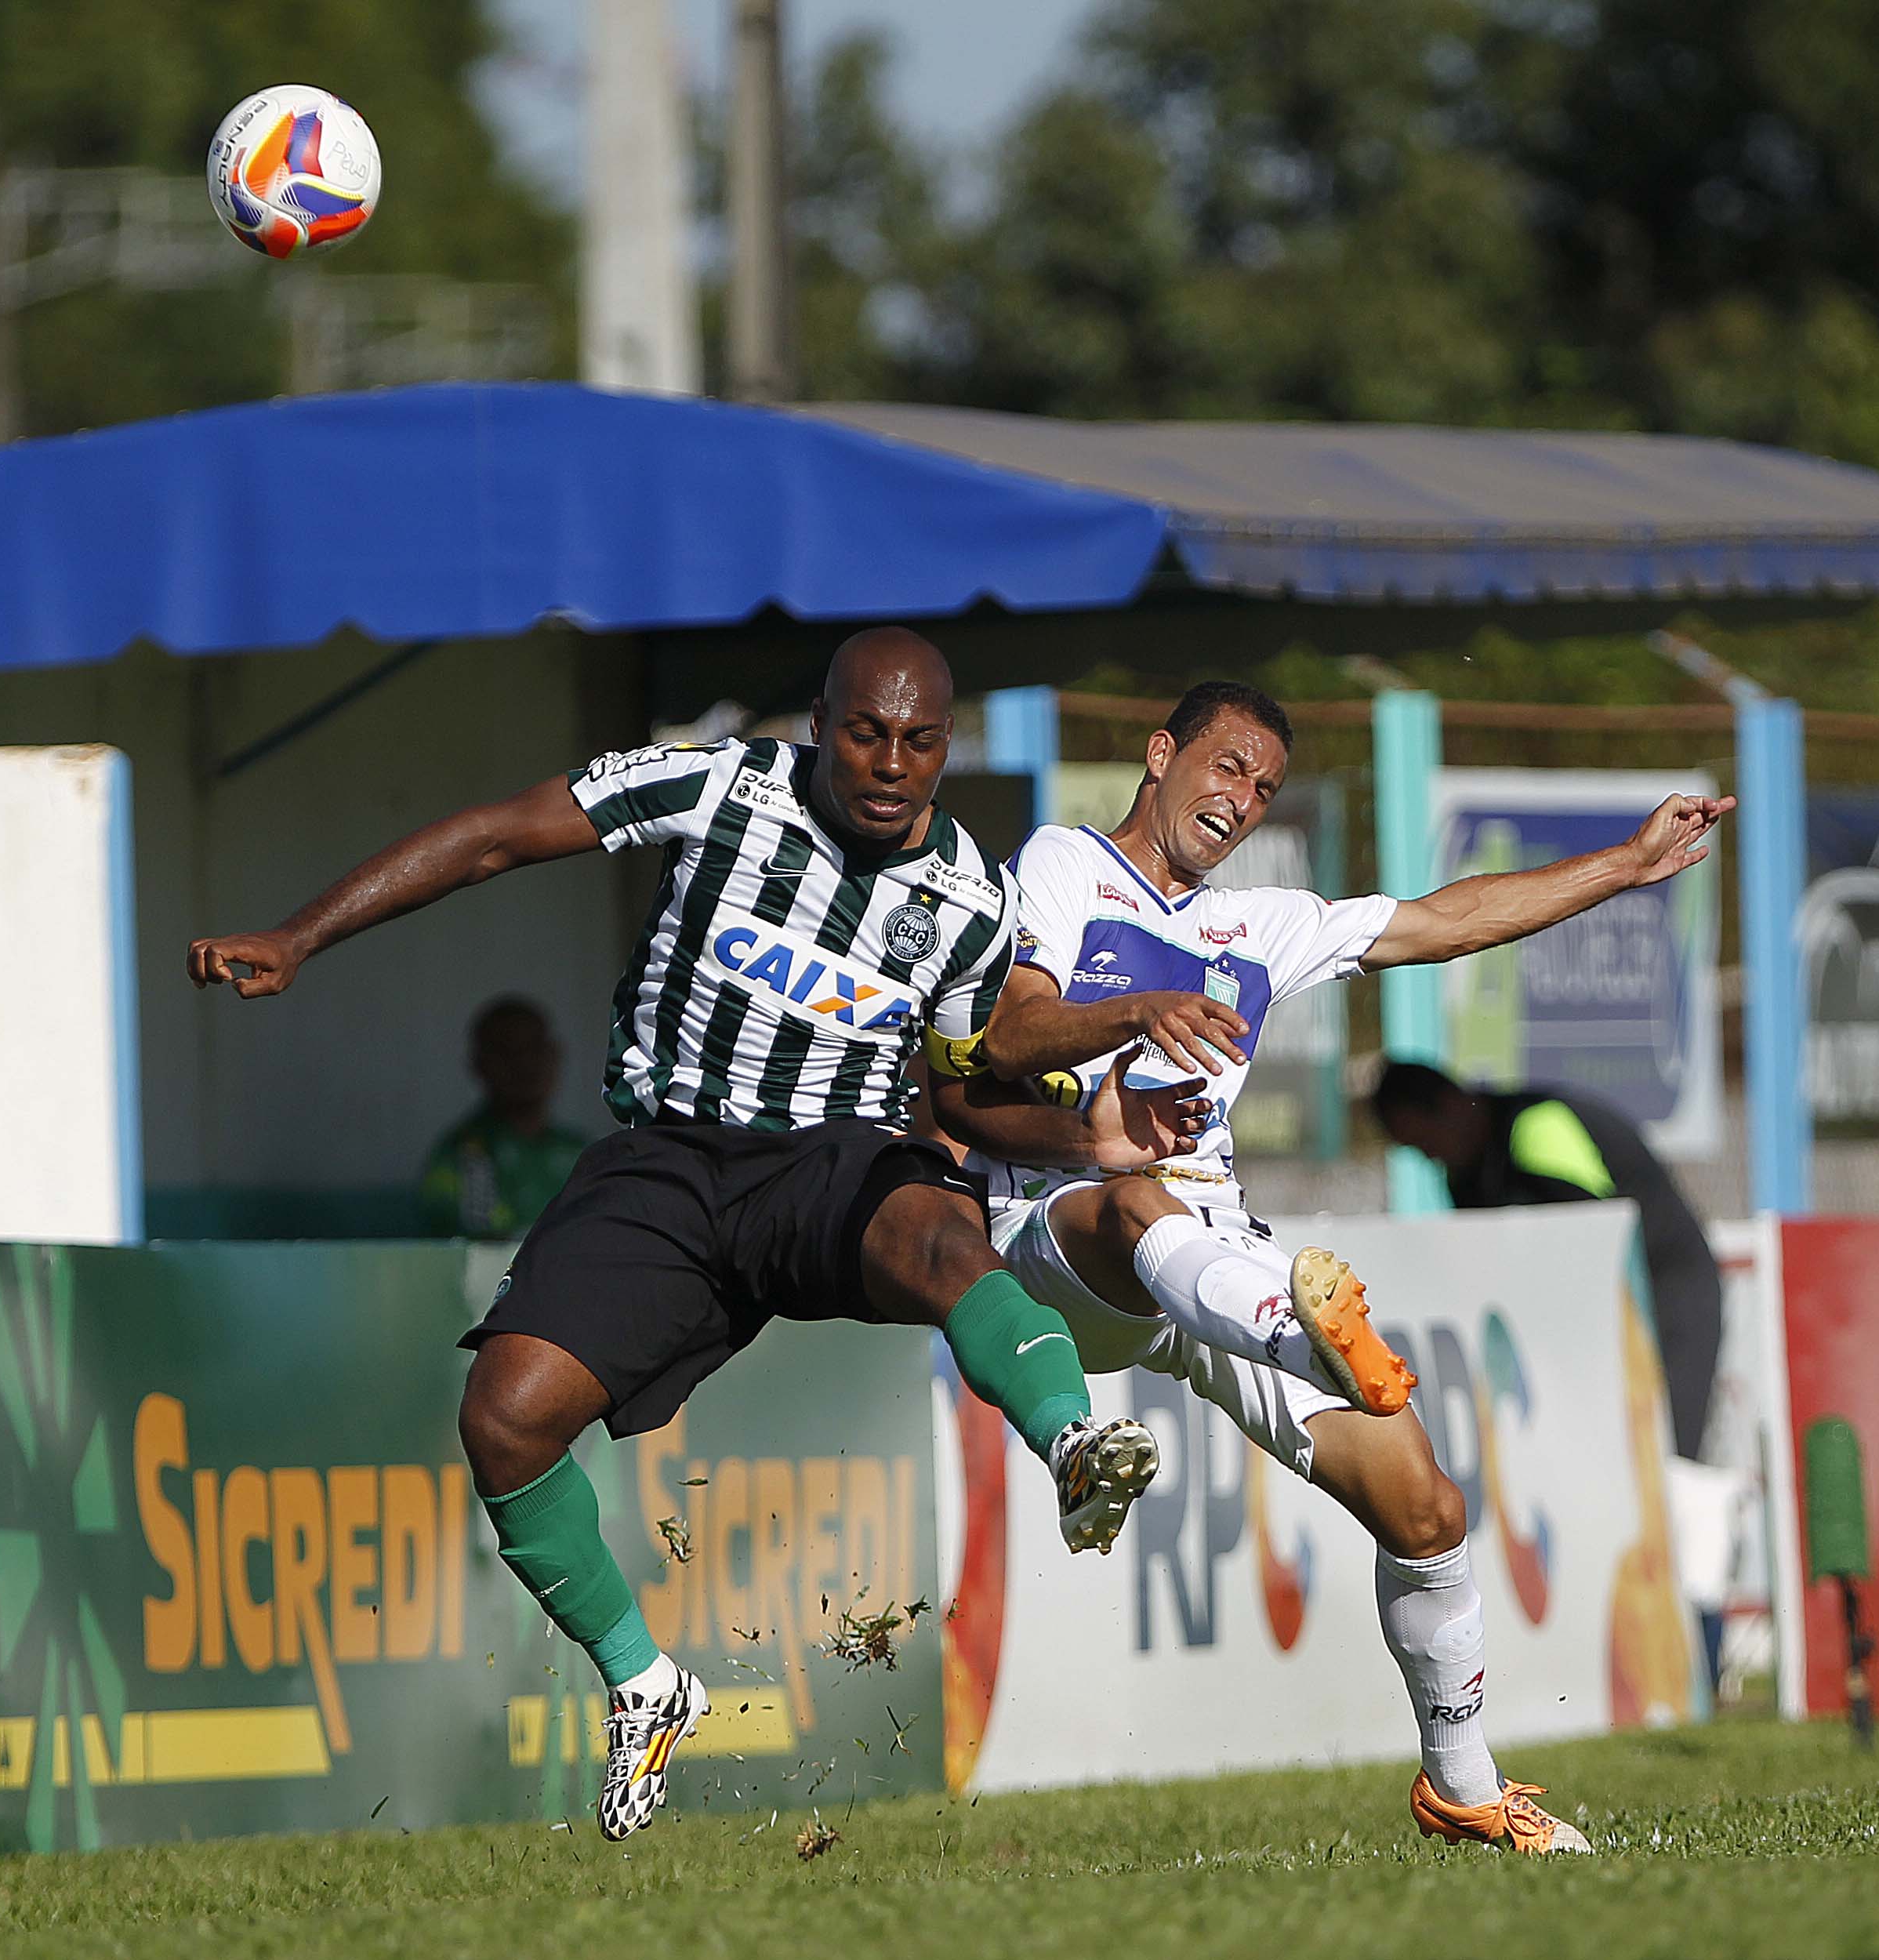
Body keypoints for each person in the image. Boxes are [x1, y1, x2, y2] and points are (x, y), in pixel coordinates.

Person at [186, 628, 1176, 1843]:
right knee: (505, 1418)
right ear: (821, 725)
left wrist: (1091, 1138)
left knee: (937, 1233)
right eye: (866, 734)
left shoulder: (974, 897)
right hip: (669, 1161)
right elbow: (497, 836)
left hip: (831, 1162)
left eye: (919, 742)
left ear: (946, 746)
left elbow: (961, 1095)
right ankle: (647, 1683)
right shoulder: (716, 786)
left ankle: (1073, 1441)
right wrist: (300, 935)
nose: (890, 764)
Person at [930, 677, 1731, 1857]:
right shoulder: (1062, 865)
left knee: (1425, 1504)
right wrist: (1136, 1016)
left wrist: (1624, 865)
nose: (1241, 798)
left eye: (1265, 787)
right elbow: (1013, 1029)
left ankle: (1463, 1785)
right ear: (1159, 753)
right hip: (1067, 1234)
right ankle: (1303, 1333)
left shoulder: (1261, 926)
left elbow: (1444, 920)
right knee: (1141, 1200)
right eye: (1226, 766)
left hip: (1213, 1254)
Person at [1369, 1062, 1723, 1463]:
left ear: (1451, 1104)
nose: (1430, 1157)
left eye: (1425, 1141)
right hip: (1596, 1314)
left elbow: (1596, 1231)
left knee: (1665, 1454)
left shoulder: (1536, 1124)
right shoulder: (1464, 1175)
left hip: (1666, 1290)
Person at [418, 996, 589, 1239]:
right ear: (479, 1065)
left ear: (555, 1054)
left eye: (535, 1048)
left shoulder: (581, 1152)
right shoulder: (465, 1154)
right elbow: (479, 1244)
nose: (525, 1064)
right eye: (507, 1051)